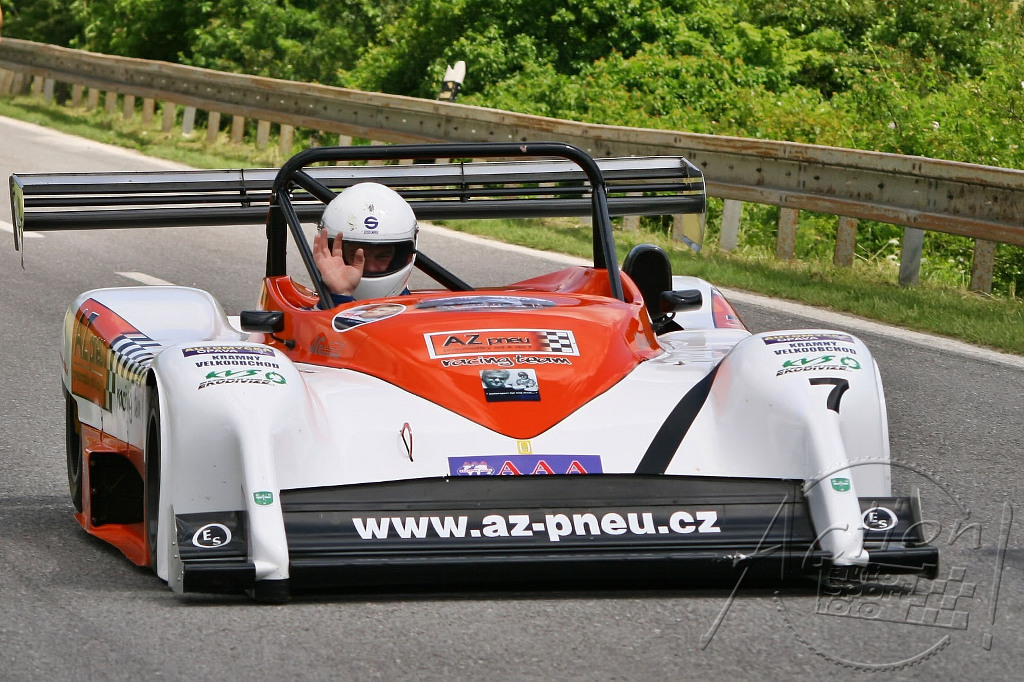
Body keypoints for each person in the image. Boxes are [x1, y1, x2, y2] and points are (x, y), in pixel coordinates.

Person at [313, 182, 418, 306]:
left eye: (382, 256)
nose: (370, 267)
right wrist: (339, 295)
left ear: (404, 256)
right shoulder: (311, 315)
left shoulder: (425, 314)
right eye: (355, 255)